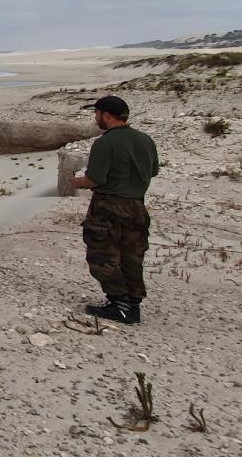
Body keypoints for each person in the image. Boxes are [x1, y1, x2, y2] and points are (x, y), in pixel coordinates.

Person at [71, 95, 159, 324]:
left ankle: (118, 303)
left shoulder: (105, 142)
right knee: (132, 256)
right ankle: (132, 306)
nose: (95, 117)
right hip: (137, 206)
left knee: (102, 255)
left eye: (97, 113)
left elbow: (95, 179)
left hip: (109, 207)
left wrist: (77, 181)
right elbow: (153, 171)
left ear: (106, 116)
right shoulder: (145, 139)